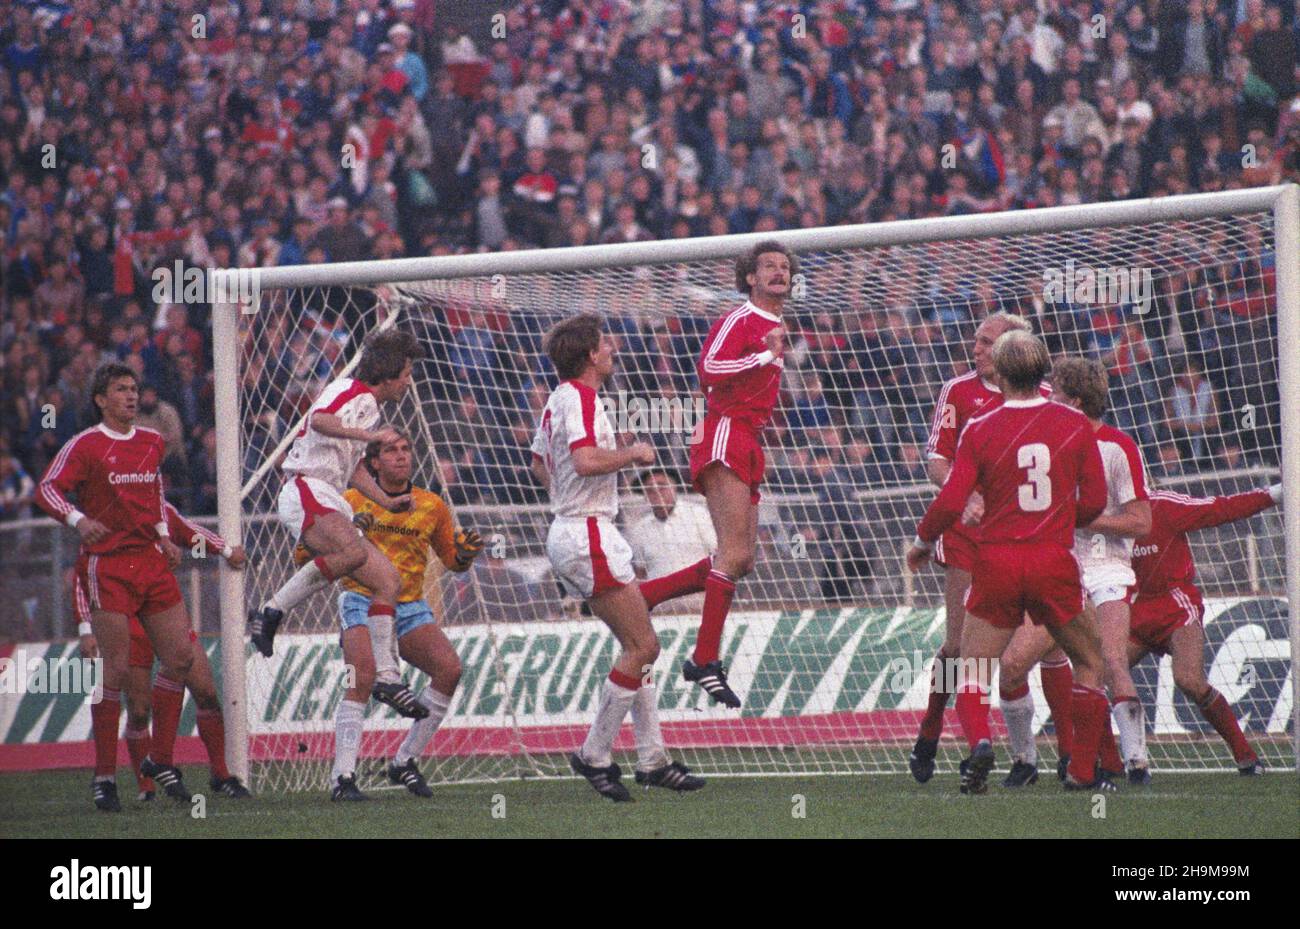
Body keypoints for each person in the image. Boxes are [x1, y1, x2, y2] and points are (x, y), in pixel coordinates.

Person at [906, 331, 1113, 793]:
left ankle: (981, 742)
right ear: (1044, 370)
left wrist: (921, 542)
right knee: (1091, 659)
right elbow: (1096, 501)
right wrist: (1058, 520)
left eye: (985, 343)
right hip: (1052, 559)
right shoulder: (1075, 423)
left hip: (995, 556)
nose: (976, 348)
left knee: (972, 667)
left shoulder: (980, 426)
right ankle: (1081, 767)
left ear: (999, 369)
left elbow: (950, 498)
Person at [530, 314, 708, 801]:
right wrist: (631, 457)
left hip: (573, 529)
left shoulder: (557, 400)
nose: (613, 348)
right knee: (643, 648)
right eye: (605, 343)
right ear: (590, 355)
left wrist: (572, 494)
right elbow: (585, 462)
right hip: (587, 531)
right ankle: (594, 753)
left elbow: (541, 463)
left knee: (638, 645)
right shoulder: (582, 399)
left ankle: (652, 759)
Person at [36, 363, 202, 810]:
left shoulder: (153, 442)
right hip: (108, 567)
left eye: (133, 388)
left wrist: (165, 535)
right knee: (116, 667)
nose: (131, 396)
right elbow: (48, 489)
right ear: (100, 399)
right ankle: (105, 776)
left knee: (182, 657)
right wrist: (77, 518)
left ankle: (159, 760)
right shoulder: (85, 444)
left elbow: (154, 499)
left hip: (151, 561)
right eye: (120, 390)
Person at [908, 312, 1060, 783]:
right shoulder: (958, 391)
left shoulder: (1047, 398)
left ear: (1014, 347)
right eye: (975, 341)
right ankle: (933, 727)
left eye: (986, 342)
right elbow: (937, 459)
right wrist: (966, 495)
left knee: (1038, 650)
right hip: (969, 538)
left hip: (1025, 539)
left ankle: (1065, 756)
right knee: (959, 647)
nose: (975, 349)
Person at [294, 429, 484, 801]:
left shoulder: (431, 505)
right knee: (361, 677)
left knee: (450, 669)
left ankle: (404, 761)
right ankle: (343, 778)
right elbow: (304, 554)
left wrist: (465, 555)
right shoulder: (348, 500)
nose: (401, 456)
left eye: (406, 449)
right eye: (391, 451)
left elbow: (452, 561)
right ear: (373, 463)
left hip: (409, 606)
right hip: (360, 599)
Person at [248, 329, 428, 720]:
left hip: (329, 493)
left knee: (387, 581)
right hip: (306, 487)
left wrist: (388, 501)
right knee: (350, 553)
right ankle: (270, 611)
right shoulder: (351, 389)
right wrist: (367, 434)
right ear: (391, 371)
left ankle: (388, 676)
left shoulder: (371, 408)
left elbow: (354, 467)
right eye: (407, 372)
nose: (409, 380)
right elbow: (320, 419)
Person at [995, 357, 1153, 786]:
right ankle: (1029, 761)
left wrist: (1085, 519)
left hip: (1107, 571)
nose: (1049, 396)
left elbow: (1142, 522)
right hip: (1059, 569)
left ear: (1076, 401)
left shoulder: (1118, 448)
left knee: (1111, 661)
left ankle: (1130, 762)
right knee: (1012, 665)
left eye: (1058, 393)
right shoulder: (1048, 441)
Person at [77, 502, 251, 800]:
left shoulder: (157, 507)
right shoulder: (106, 512)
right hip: (127, 623)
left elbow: (189, 534)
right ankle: (145, 785)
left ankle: (219, 774)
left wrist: (223, 550)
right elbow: (85, 574)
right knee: (139, 710)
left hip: (164, 615)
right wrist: (85, 626)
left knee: (206, 690)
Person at [684, 240, 793, 707]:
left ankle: (645, 595)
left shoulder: (777, 326)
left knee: (743, 558)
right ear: (749, 277)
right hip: (725, 431)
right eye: (768, 265)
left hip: (750, 439)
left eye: (785, 267)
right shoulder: (741, 318)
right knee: (731, 552)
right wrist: (766, 357)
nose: (778, 272)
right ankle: (704, 658)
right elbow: (708, 369)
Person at [626, 469, 716, 613]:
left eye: (662, 486)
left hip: (702, 604)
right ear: (644, 496)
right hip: (661, 610)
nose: (656, 491)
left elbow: (718, 555)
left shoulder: (698, 515)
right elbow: (640, 573)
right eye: (649, 489)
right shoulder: (639, 529)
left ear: (674, 487)